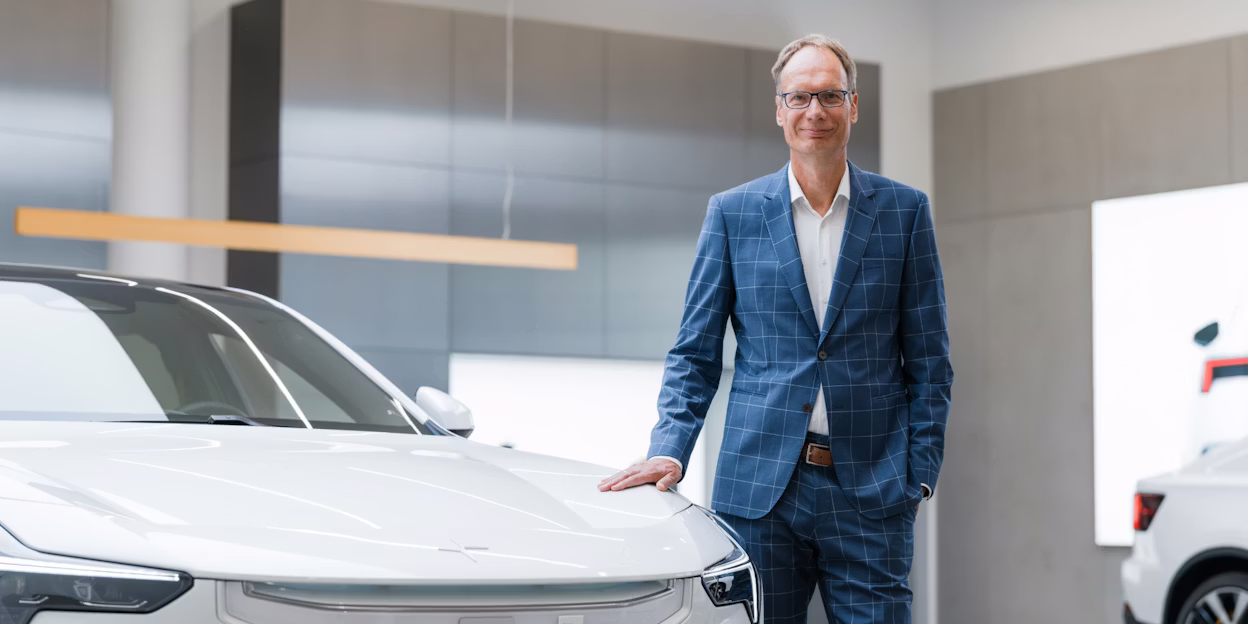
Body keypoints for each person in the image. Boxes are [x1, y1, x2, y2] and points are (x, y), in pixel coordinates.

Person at [598, 34, 952, 623]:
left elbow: (930, 362)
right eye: (800, 97)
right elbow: (695, 353)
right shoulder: (732, 213)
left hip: (872, 491)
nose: (815, 111)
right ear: (780, 110)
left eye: (830, 96)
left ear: (853, 106)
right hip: (760, 492)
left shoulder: (904, 212)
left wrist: (918, 476)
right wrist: (669, 450)